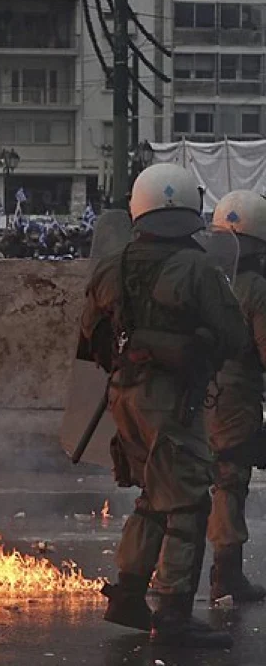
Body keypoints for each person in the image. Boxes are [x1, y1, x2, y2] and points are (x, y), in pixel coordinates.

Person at [80, 163, 247, 648]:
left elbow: (91, 341)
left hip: (122, 395)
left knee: (153, 497)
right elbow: (235, 337)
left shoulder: (111, 266)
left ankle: (128, 594)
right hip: (172, 401)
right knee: (189, 502)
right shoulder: (198, 268)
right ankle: (173, 613)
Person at [207, 190, 266, 604]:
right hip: (236, 400)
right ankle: (226, 576)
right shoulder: (256, 288)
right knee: (229, 482)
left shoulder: (201, 275)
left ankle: (164, 572)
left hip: (193, 395)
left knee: (185, 485)